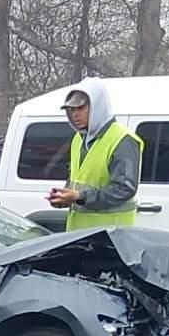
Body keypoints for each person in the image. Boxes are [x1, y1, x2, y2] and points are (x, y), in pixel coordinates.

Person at [46, 79, 140, 229]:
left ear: (98, 106)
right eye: (71, 110)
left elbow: (124, 189)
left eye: (81, 108)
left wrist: (79, 197)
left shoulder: (122, 139)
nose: (75, 114)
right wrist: (63, 198)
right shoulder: (78, 139)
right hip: (81, 234)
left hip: (111, 236)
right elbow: (77, 181)